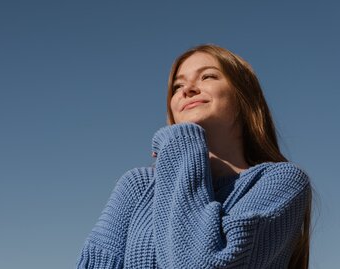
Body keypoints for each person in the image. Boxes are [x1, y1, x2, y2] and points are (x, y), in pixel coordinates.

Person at [76, 44, 312, 269]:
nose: (187, 89)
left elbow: (198, 263)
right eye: (177, 87)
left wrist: (181, 141)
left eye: (207, 76)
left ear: (244, 96)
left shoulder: (282, 182)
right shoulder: (138, 186)